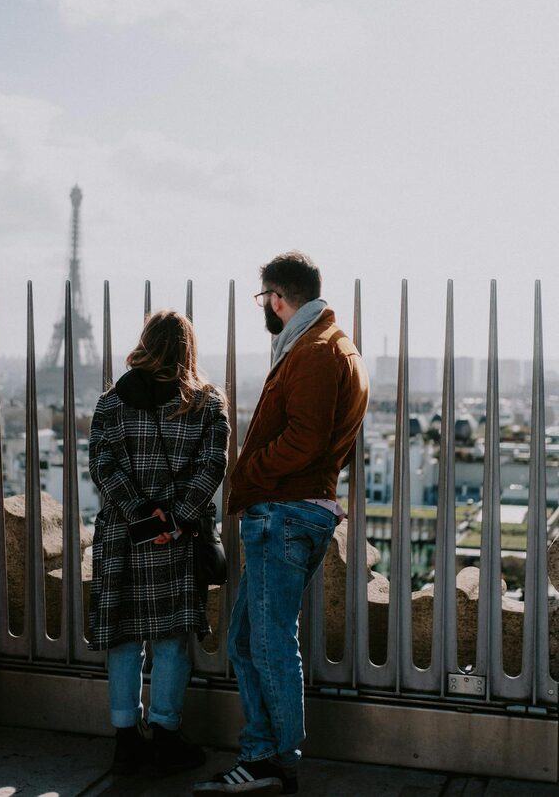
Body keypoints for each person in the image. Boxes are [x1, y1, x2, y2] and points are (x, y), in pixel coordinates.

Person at [194, 252, 369, 796]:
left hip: (286, 511)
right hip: (294, 509)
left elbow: (305, 441)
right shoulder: (327, 343)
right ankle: (263, 753)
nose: (262, 310)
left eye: (262, 300)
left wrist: (250, 472)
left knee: (267, 640)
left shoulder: (315, 352)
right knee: (248, 638)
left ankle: (274, 760)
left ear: (275, 296)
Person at [88, 310, 230, 777]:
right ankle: (167, 734)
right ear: (189, 347)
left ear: (145, 341)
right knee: (171, 640)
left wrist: (138, 514)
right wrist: (178, 517)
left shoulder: (111, 402)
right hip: (176, 539)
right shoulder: (208, 403)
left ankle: (126, 741)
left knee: (125, 640)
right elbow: (213, 466)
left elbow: (104, 467)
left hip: (124, 537)